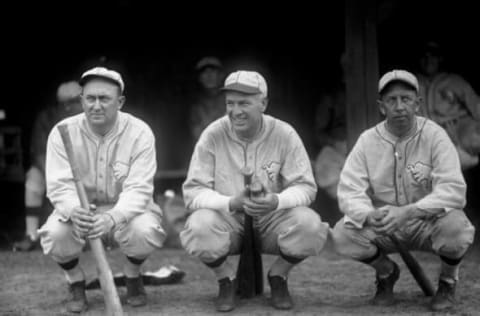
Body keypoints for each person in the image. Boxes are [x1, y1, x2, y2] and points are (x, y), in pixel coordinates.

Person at [181, 70, 329, 312]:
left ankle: (279, 276)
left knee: (310, 225)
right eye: (230, 103)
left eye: (244, 103)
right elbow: (193, 192)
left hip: (272, 219)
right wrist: (231, 202)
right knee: (198, 227)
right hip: (229, 220)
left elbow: (306, 187)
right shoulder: (213, 133)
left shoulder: (284, 133)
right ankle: (226, 279)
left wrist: (276, 201)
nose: (235, 111)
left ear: (263, 103)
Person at [331, 69, 475, 312]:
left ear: (417, 104)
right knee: (342, 234)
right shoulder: (367, 140)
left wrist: (409, 212)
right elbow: (348, 190)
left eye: (406, 99)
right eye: (391, 100)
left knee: (457, 229)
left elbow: (454, 191)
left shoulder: (435, 135)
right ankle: (387, 272)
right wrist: (368, 214)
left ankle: (448, 282)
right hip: (385, 223)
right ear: (381, 106)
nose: (399, 106)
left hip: (426, 221)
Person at [37, 67, 166, 313]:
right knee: (55, 234)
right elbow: (58, 185)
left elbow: (139, 188)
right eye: (90, 98)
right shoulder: (62, 131)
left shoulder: (140, 132)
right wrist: (74, 210)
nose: (96, 105)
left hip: (124, 208)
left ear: (120, 102)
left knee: (146, 230)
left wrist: (112, 217)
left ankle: (132, 274)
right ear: (82, 100)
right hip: (81, 210)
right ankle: (75, 280)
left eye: (104, 99)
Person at [13, 81, 83, 251]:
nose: (80, 104)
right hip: (53, 169)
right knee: (33, 180)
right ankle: (31, 235)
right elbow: (39, 152)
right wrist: (56, 176)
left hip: (84, 170)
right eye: (75, 101)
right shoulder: (46, 118)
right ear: (64, 104)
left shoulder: (90, 117)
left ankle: (100, 236)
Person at [417, 41, 480, 170]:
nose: (429, 59)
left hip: (458, 129)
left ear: (440, 59)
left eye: (433, 55)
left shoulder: (454, 81)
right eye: (425, 56)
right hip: (429, 135)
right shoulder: (411, 82)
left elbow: (477, 106)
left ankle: (460, 157)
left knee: (476, 137)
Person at [188, 56, 226, 140]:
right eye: (204, 72)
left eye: (213, 71)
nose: (209, 75)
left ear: (221, 75)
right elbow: (199, 137)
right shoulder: (196, 107)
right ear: (199, 78)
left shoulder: (233, 100)